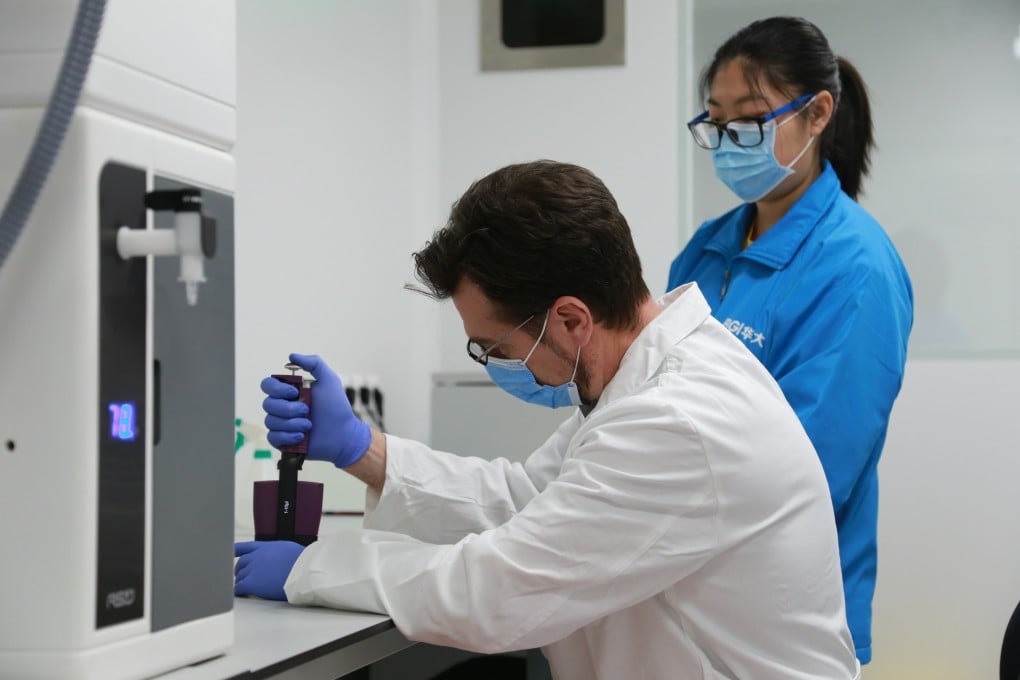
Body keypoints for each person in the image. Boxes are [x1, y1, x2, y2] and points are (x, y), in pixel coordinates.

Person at [235, 160, 861, 679]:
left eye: (494, 347)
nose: (495, 365)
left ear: (569, 320)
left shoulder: (678, 421)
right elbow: (530, 505)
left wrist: (311, 570)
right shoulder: (641, 386)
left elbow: (500, 589)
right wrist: (363, 449)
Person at [666, 16, 913, 664]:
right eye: (715, 123)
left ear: (818, 113)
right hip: (684, 598)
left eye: (748, 120)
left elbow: (810, 469)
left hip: (783, 616)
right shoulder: (706, 249)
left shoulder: (856, 266)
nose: (727, 140)